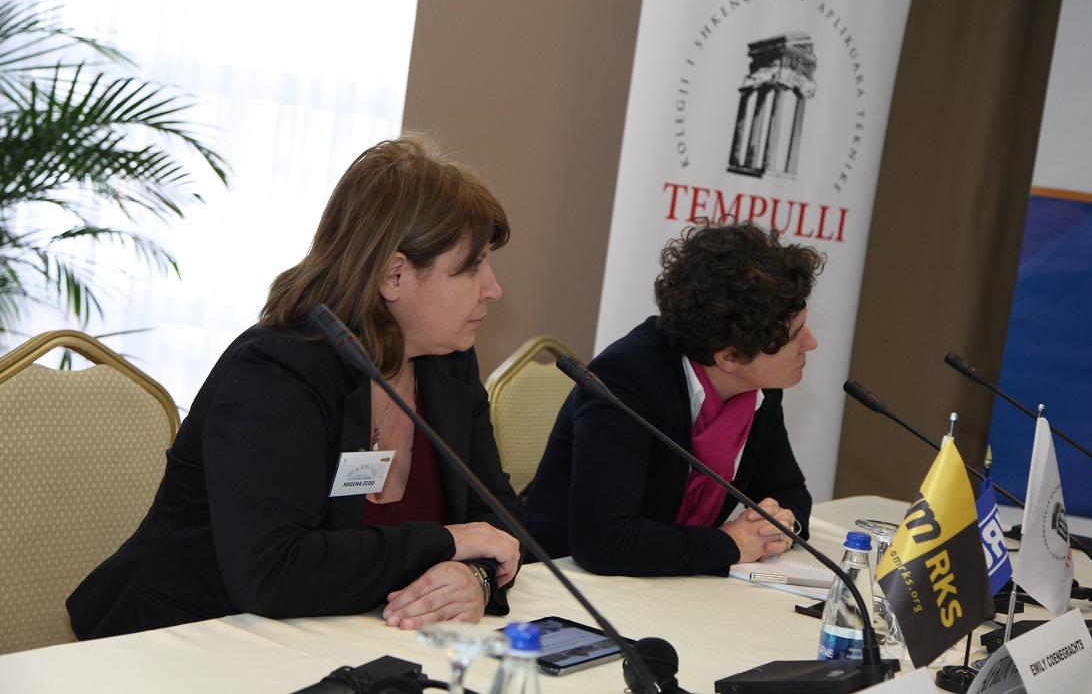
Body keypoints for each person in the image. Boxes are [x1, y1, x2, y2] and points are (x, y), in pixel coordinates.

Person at [67, 133, 522, 639]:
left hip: (346, 639)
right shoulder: (278, 370)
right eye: (473, 266)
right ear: (394, 276)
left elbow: (500, 525)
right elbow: (272, 572)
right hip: (182, 639)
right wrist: (444, 543)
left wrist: (475, 578)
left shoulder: (447, 365)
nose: (493, 288)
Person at [523, 221, 821, 577]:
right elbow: (604, 542)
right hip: (561, 579)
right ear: (729, 356)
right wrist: (730, 544)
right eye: (795, 335)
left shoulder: (758, 387)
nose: (811, 343)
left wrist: (779, 526)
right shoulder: (626, 379)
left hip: (668, 581)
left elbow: (789, 491)